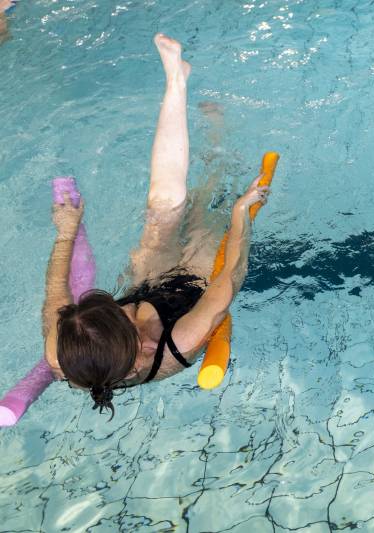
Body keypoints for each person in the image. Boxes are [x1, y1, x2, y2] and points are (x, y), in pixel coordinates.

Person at [42, 34, 269, 417]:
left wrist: (66, 232)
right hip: (195, 286)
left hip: (147, 278)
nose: (129, 311)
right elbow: (229, 276)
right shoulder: (180, 342)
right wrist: (240, 214)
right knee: (207, 206)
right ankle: (218, 142)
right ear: (138, 361)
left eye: (120, 310)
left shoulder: (62, 349)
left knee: (162, 202)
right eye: (128, 321)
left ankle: (175, 83)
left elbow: (55, 292)